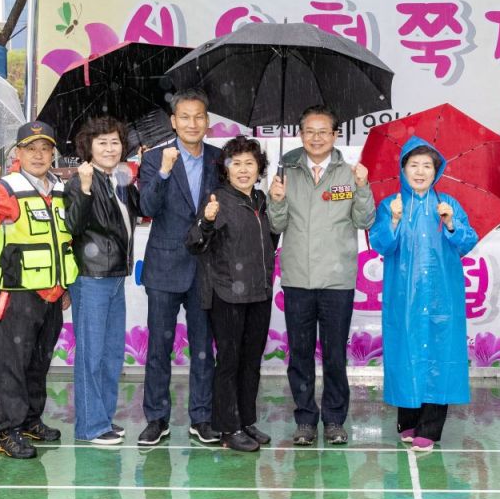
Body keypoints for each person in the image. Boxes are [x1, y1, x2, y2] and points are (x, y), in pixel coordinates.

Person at [0, 121, 78, 459]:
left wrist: (64, 286)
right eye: (31, 149)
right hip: (18, 293)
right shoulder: (6, 187)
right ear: (18, 153)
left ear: (53, 153)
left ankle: (31, 420)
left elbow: (65, 240)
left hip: (53, 294)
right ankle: (8, 432)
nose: (39, 155)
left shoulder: (60, 189)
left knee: (39, 363)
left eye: (45, 149)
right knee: (12, 366)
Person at [268, 105, 374, 446]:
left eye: (323, 131)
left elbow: (364, 220)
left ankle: (334, 419)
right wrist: (277, 200)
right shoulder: (287, 171)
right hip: (298, 278)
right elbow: (276, 225)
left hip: (337, 280)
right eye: (310, 131)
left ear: (335, 135)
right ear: (300, 135)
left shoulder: (349, 173)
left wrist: (362, 187)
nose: (316, 138)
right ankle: (305, 419)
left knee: (334, 356)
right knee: (299, 355)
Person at [368, 137, 479, 452]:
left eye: (427, 166)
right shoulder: (390, 205)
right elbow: (381, 244)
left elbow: (467, 242)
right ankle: (408, 420)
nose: (420, 172)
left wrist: (452, 223)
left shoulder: (448, 204)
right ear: (403, 169)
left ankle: (430, 427)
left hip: (442, 296)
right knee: (406, 351)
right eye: (413, 165)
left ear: (436, 171)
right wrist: (393, 221)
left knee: (438, 356)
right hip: (403, 296)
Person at [136, 89, 220, 446]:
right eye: (184, 117)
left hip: (206, 268)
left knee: (203, 348)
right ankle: (157, 419)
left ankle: (202, 418)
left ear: (207, 121)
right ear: (173, 121)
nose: (192, 123)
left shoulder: (220, 159)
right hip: (164, 267)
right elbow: (147, 206)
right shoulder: (155, 158)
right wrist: (165, 172)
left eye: (198, 116)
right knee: (159, 348)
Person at [185, 136, 275, 452]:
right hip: (228, 295)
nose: (243, 169)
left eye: (250, 163)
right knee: (229, 362)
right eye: (236, 163)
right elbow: (194, 243)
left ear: (259, 168)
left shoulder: (261, 200)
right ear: (226, 169)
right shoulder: (218, 200)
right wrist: (207, 221)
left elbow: (268, 241)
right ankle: (228, 427)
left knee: (251, 362)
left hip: (259, 293)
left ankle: (246, 421)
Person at [64, 116, 139, 446]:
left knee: (111, 354)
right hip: (91, 277)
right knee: (91, 355)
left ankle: (104, 418)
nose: (110, 149)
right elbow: (73, 227)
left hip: (116, 277)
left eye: (115, 142)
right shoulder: (80, 181)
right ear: (89, 147)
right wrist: (83, 189)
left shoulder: (119, 180)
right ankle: (90, 426)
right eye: (102, 143)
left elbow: (142, 210)